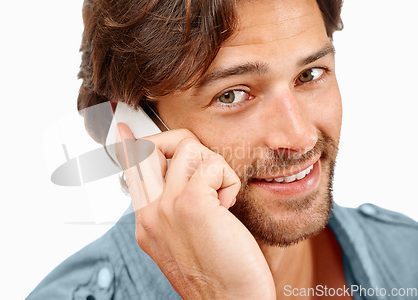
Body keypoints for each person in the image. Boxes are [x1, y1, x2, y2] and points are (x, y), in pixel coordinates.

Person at [27, 0, 418, 299]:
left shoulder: (409, 258)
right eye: (232, 95)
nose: (299, 137)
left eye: (310, 75)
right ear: (132, 131)